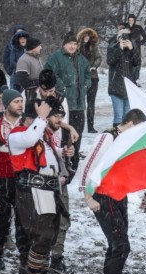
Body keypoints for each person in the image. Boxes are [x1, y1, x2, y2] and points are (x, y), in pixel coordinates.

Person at [79, 109, 146, 274]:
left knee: (118, 245)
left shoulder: (127, 141)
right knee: (120, 245)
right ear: (127, 123)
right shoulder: (107, 137)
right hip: (102, 195)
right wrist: (87, 196)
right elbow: (88, 164)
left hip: (119, 195)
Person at [8, 98, 74, 274]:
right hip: (31, 190)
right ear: (33, 117)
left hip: (49, 189)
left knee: (51, 236)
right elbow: (30, 139)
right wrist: (41, 118)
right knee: (42, 234)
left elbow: (46, 154)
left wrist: (62, 152)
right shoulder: (17, 135)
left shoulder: (41, 134)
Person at [0, 88, 24, 271]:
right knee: (1, 215)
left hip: (21, 175)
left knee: (22, 216)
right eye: (16, 101)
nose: (20, 105)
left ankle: (24, 257)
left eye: (21, 101)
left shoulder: (26, 122)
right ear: (7, 104)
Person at [45, 31, 92, 173]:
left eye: (75, 44)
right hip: (64, 102)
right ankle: (64, 160)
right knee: (65, 133)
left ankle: (75, 159)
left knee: (78, 133)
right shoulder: (56, 58)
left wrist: (86, 85)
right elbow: (48, 73)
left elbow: (88, 74)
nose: (72, 46)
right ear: (64, 44)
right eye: (70, 43)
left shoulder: (81, 59)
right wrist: (61, 87)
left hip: (79, 104)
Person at [107, 24, 141, 127]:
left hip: (129, 88)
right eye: (123, 36)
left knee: (127, 118)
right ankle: (117, 138)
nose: (125, 39)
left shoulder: (132, 48)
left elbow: (137, 62)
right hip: (116, 87)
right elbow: (110, 61)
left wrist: (133, 49)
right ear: (118, 38)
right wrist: (119, 49)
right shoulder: (113, 47)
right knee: (118, 117)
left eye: (127, 36)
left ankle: (125, 140)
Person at [78, 28, 102, 134]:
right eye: (85, 35)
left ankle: (90, 126)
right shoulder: (78, 47)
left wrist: (93, 67)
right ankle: (80, 125)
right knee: (80, 102)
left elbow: (98, 58)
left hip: (93, 77)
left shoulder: (94, 47)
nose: (87, 37)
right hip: (80, 78)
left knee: (91, 103)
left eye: (88, 35)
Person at [2, 25, 29, 90]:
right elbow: (6, 60)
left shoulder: (29, 46)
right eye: (18, 33)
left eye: (22, 32)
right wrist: (11, 72)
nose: (20, 34)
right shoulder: (10, 46)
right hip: (15, 74)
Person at [127, 14, 146, 82]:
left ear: (134, 20)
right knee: (128, 64)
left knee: (137, 64)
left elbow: (145, 36)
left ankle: (136, 79)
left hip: (136, 49)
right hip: (127, 50)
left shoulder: (138, 27)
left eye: (132, 20)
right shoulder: (126, 28)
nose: (131, 21)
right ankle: (128, 80)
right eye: (129, 20)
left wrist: (140, 42)